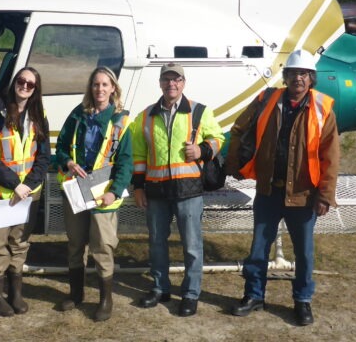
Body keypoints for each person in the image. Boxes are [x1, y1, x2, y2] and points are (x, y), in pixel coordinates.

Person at [224, 49, 339, 326]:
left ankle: (302, 301)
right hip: (268, 191)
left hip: (304, 194)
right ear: (285, 76)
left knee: (304, 253)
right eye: (293, 73)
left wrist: (324, 194)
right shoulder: (266, 99)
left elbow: (330, 156)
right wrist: (235, 163)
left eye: (304, 73)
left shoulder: (323, 109)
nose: (298, 78)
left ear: (311, 78)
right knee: (258, 249)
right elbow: (240, 128)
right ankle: (254, 296)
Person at [130, 63, 224, 317]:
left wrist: (202, 150)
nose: (171, 84)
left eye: (177, 79)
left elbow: (218, 139)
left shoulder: (200, 111)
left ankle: (191, 294)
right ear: (160, 83)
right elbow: (138, 155)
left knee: (192, 246)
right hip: (156, 191)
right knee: (157, 243)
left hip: (188, 191)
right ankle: (161, 288)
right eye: (167, 79)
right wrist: (138, 187)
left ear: (184, 82)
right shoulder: (145, 116)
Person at [55, 66, 133, 322]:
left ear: (113, 89)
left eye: (105, 85)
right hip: (77, 190)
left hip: (103, 195)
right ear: (91, 87)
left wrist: (113, 192)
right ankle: (76, 294)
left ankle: (105, 299)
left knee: (102, 247)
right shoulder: (78, 115)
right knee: (76, 243)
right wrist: (67, 163)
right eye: (95, 84)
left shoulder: (121, 120)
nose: (100, 89)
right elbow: (62, 147)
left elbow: (126, 162)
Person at [0, 67, 50, 317]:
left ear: (35, 90)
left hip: (28, 194)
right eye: (21, 81)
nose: (25, 86)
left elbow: (43, 157)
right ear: (14, 84)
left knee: (19, 243)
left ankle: (15, 293)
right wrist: (14, 184)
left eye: (31, 84)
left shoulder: (38, 116)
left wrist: (28, 184)